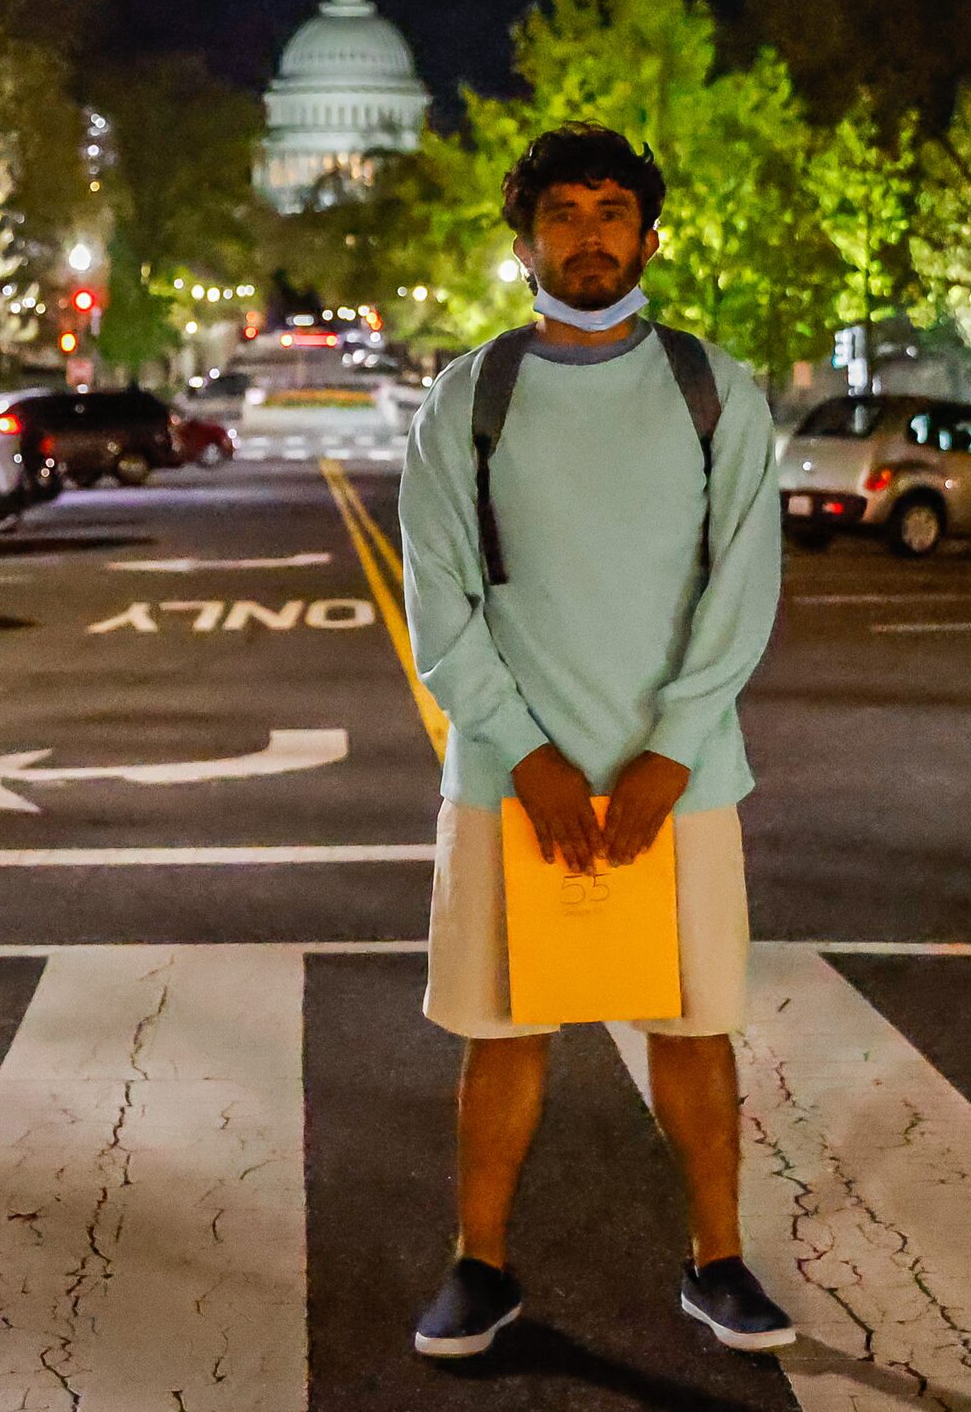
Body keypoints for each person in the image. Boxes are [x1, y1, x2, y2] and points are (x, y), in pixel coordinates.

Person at [397, 121, 793, 1360]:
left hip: (683, 778)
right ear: (525, 244)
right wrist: (528, 755)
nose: (589, 233)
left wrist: (673, 748)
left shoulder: (714, 389)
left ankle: (719, 1261)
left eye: (611, 210)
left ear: (649, 236)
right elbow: (440, 604)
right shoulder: (468, 397)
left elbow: (743, 585)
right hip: (508, 781)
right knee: (502, 1034)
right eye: (562, 213)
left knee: (695, 1029)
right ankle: (479, 1265)